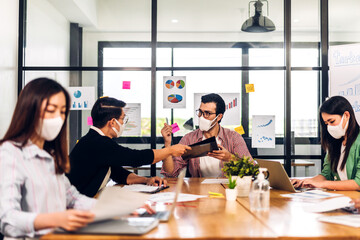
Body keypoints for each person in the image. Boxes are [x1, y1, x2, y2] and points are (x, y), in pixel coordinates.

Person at [0, 78, 95, 238]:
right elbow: (7, 219)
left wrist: (124, 208)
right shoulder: (10, 153)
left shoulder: (51, 155)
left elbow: (72, 199)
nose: (58, 118)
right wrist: (54, 220)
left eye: (63, 112)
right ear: (30, 110)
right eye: (51, 110)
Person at [67, 97, 190, 198]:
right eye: (123, 118)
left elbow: (118, 173)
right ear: (112, 122)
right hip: (74, 207)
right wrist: (170, 151)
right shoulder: (98, 143)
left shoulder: (95, 140)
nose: (124, 123)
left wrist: (146, 180)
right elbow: (135, 158)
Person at [161, 93, 252, 178]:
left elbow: (252, 169)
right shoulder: (189, 139)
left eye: (207, 113)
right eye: (200, 112)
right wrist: (167, 145)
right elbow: (170, 174)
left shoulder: (233, 137)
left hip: (227, 189)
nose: (201, 117)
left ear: (219, 117)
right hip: (198, 190)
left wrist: (230, 158)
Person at [292, 96, 360, 191]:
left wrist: (322, 184)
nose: (329, 127)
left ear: (346, 116)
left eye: (332, 121)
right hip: (340, 198)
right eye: (326, 123)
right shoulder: (335, 142)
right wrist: (306, 181)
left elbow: (358, 183)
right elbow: (326, 174)